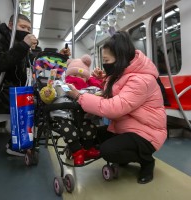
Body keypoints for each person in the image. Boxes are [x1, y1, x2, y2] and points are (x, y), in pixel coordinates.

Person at [66, 31, 167, 184]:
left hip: (147, 132)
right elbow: (117, 92)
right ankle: (125, 154)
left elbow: (114, 107)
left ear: (120, 58)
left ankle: (146, 161)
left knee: (108, 150)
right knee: (91, 135)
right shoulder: (122, 72)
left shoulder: (141, 80)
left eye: (106, 60)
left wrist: (79, 97)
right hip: (126, 126)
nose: (105, 64)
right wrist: (103, 79)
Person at [0, 14, 37, 156]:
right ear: (10, 25)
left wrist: (59, 56)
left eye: (29, 29)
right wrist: (23, 45)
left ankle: (23, 141)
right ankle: (16, 145)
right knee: (31, 103)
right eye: (22, 27)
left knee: (38, 101)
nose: (26, 31)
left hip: (11, 89)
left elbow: (25, 65)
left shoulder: (19, 43)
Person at [56, 54, 103, 166]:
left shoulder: (89, 88)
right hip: (66, 115)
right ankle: (78, 152)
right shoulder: (63, 85)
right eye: (74, 75)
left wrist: (93, 80)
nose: (77, 78)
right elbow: (53, 92)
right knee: (68, 131)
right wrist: (47, 93)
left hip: (83, 116)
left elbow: (99, 89)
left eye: (81, 76)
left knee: (90, 128)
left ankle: (87, 149)